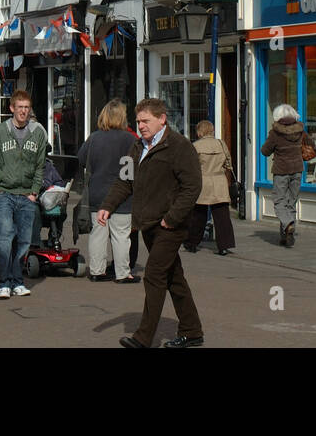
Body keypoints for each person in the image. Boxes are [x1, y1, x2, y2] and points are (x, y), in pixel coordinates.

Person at [98, 97, 204, 349]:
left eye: (146, 121)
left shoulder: (180, 146)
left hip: (170, 225)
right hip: (148, 224)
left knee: (154, 275)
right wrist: (107, 206)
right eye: (138, 121)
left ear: (162, 119)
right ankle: (192, 332)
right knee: (173, 278)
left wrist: (172, 217)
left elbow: (192, 187)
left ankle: (144, 338)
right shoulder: (136, 147)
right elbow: (124, 181)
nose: (141, 125)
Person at [0, 89, 48, 300]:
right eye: (20, 108)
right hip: (4, 194)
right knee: (5, 237)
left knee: (24, 240)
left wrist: (35, 192)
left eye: (27, 108)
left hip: (27, 194)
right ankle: (4, 282)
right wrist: (2, 177)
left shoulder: (38, 133)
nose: (23, 112)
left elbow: (40, 165)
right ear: (12, 109)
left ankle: (18, 281)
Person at [77, 99, 137, 283]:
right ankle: (122, 273)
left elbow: (81, 159)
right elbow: (136, 166)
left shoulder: (94, 138)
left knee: (98, 234)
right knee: (121, 235)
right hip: (123, 195)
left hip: (98, 192)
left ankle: (97, 271)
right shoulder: (131, 139)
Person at [260, 103, 312, 247]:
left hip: (281, 170)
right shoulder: (300, 129)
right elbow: (311, 143)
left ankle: (288, 223)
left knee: (279, 201)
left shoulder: (275, 133)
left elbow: (265, 151)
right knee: (291, 202)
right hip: (297, 169)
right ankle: (286, 237)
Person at [186, 120, 236, 256]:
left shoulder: (195, 146)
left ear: (199, 132)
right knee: (222, 216)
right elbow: (228, 163)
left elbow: (190, 167)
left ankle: (192, 243)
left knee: (198, 214)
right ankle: (224, 246)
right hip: (219, 181)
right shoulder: (221, 144)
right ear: (212, 130)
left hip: (202, 181)